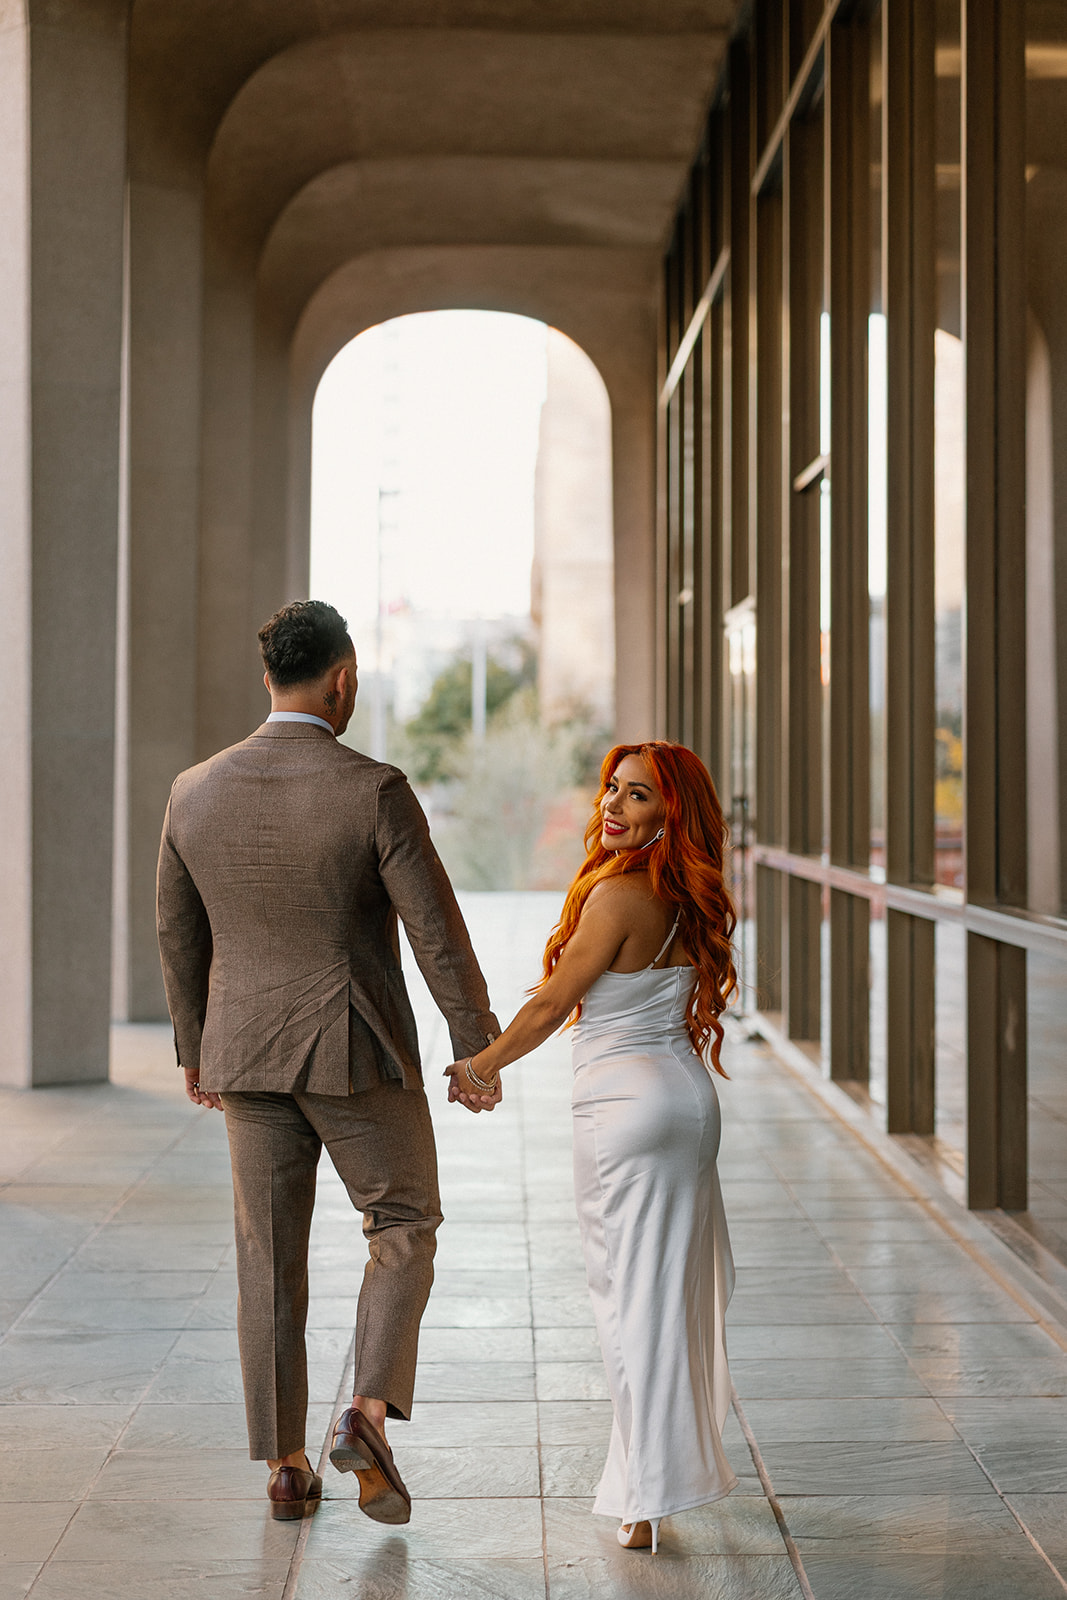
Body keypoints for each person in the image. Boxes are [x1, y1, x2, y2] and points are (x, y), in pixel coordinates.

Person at [157, 600, 499, 1523]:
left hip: (243, 1053)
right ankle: (366, 1413)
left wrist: (196, 1047)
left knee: (266, 1257)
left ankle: (285, 1464)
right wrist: (478, 1045)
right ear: (342, 681)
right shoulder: (373, 789)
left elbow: (178, 935)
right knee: (403, 1221)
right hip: (354, 1049)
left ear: (269, 677)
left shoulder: (193, 791)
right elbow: (436, 933)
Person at [447, 741, 738, 1553]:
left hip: (627, 1113)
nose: (612, 804)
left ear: (671, 812)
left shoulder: (616, 896)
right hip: (685, 1104)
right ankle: (658, 1480)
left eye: (637, 795)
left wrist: (478, 1067)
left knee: (628, 1303)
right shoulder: (687, 895)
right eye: (612, 787)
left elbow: (550, 1007)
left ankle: (645, 1498)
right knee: (667, 1298)